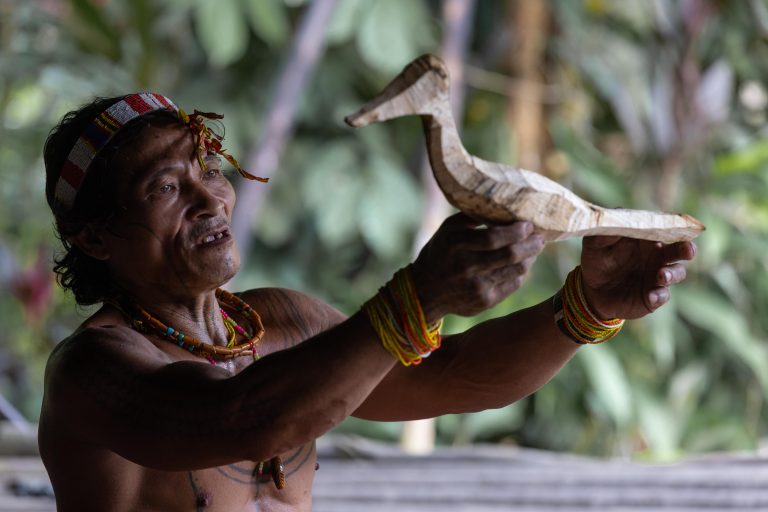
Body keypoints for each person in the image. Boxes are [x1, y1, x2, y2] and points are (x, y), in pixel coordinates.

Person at [38, 93, 696, 511]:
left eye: (207, 169)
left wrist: (586, 306)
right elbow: (239, 415)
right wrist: (417, 295)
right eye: (165, 188)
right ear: (95, 237)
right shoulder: (93, 371)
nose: (211, 198)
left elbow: (449, 378)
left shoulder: (283, 322)